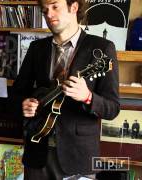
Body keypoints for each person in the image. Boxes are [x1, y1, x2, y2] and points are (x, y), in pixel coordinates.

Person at [10, 0, 120, 179]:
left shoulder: (102, 48)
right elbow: (16, 94)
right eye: (45, 10)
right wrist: (23, 103)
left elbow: (113, 108)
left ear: (74, 7)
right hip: (37, 153)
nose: (49, 14)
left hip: (79, 157)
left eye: (55, 7)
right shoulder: (36, 48)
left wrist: (87, 97)